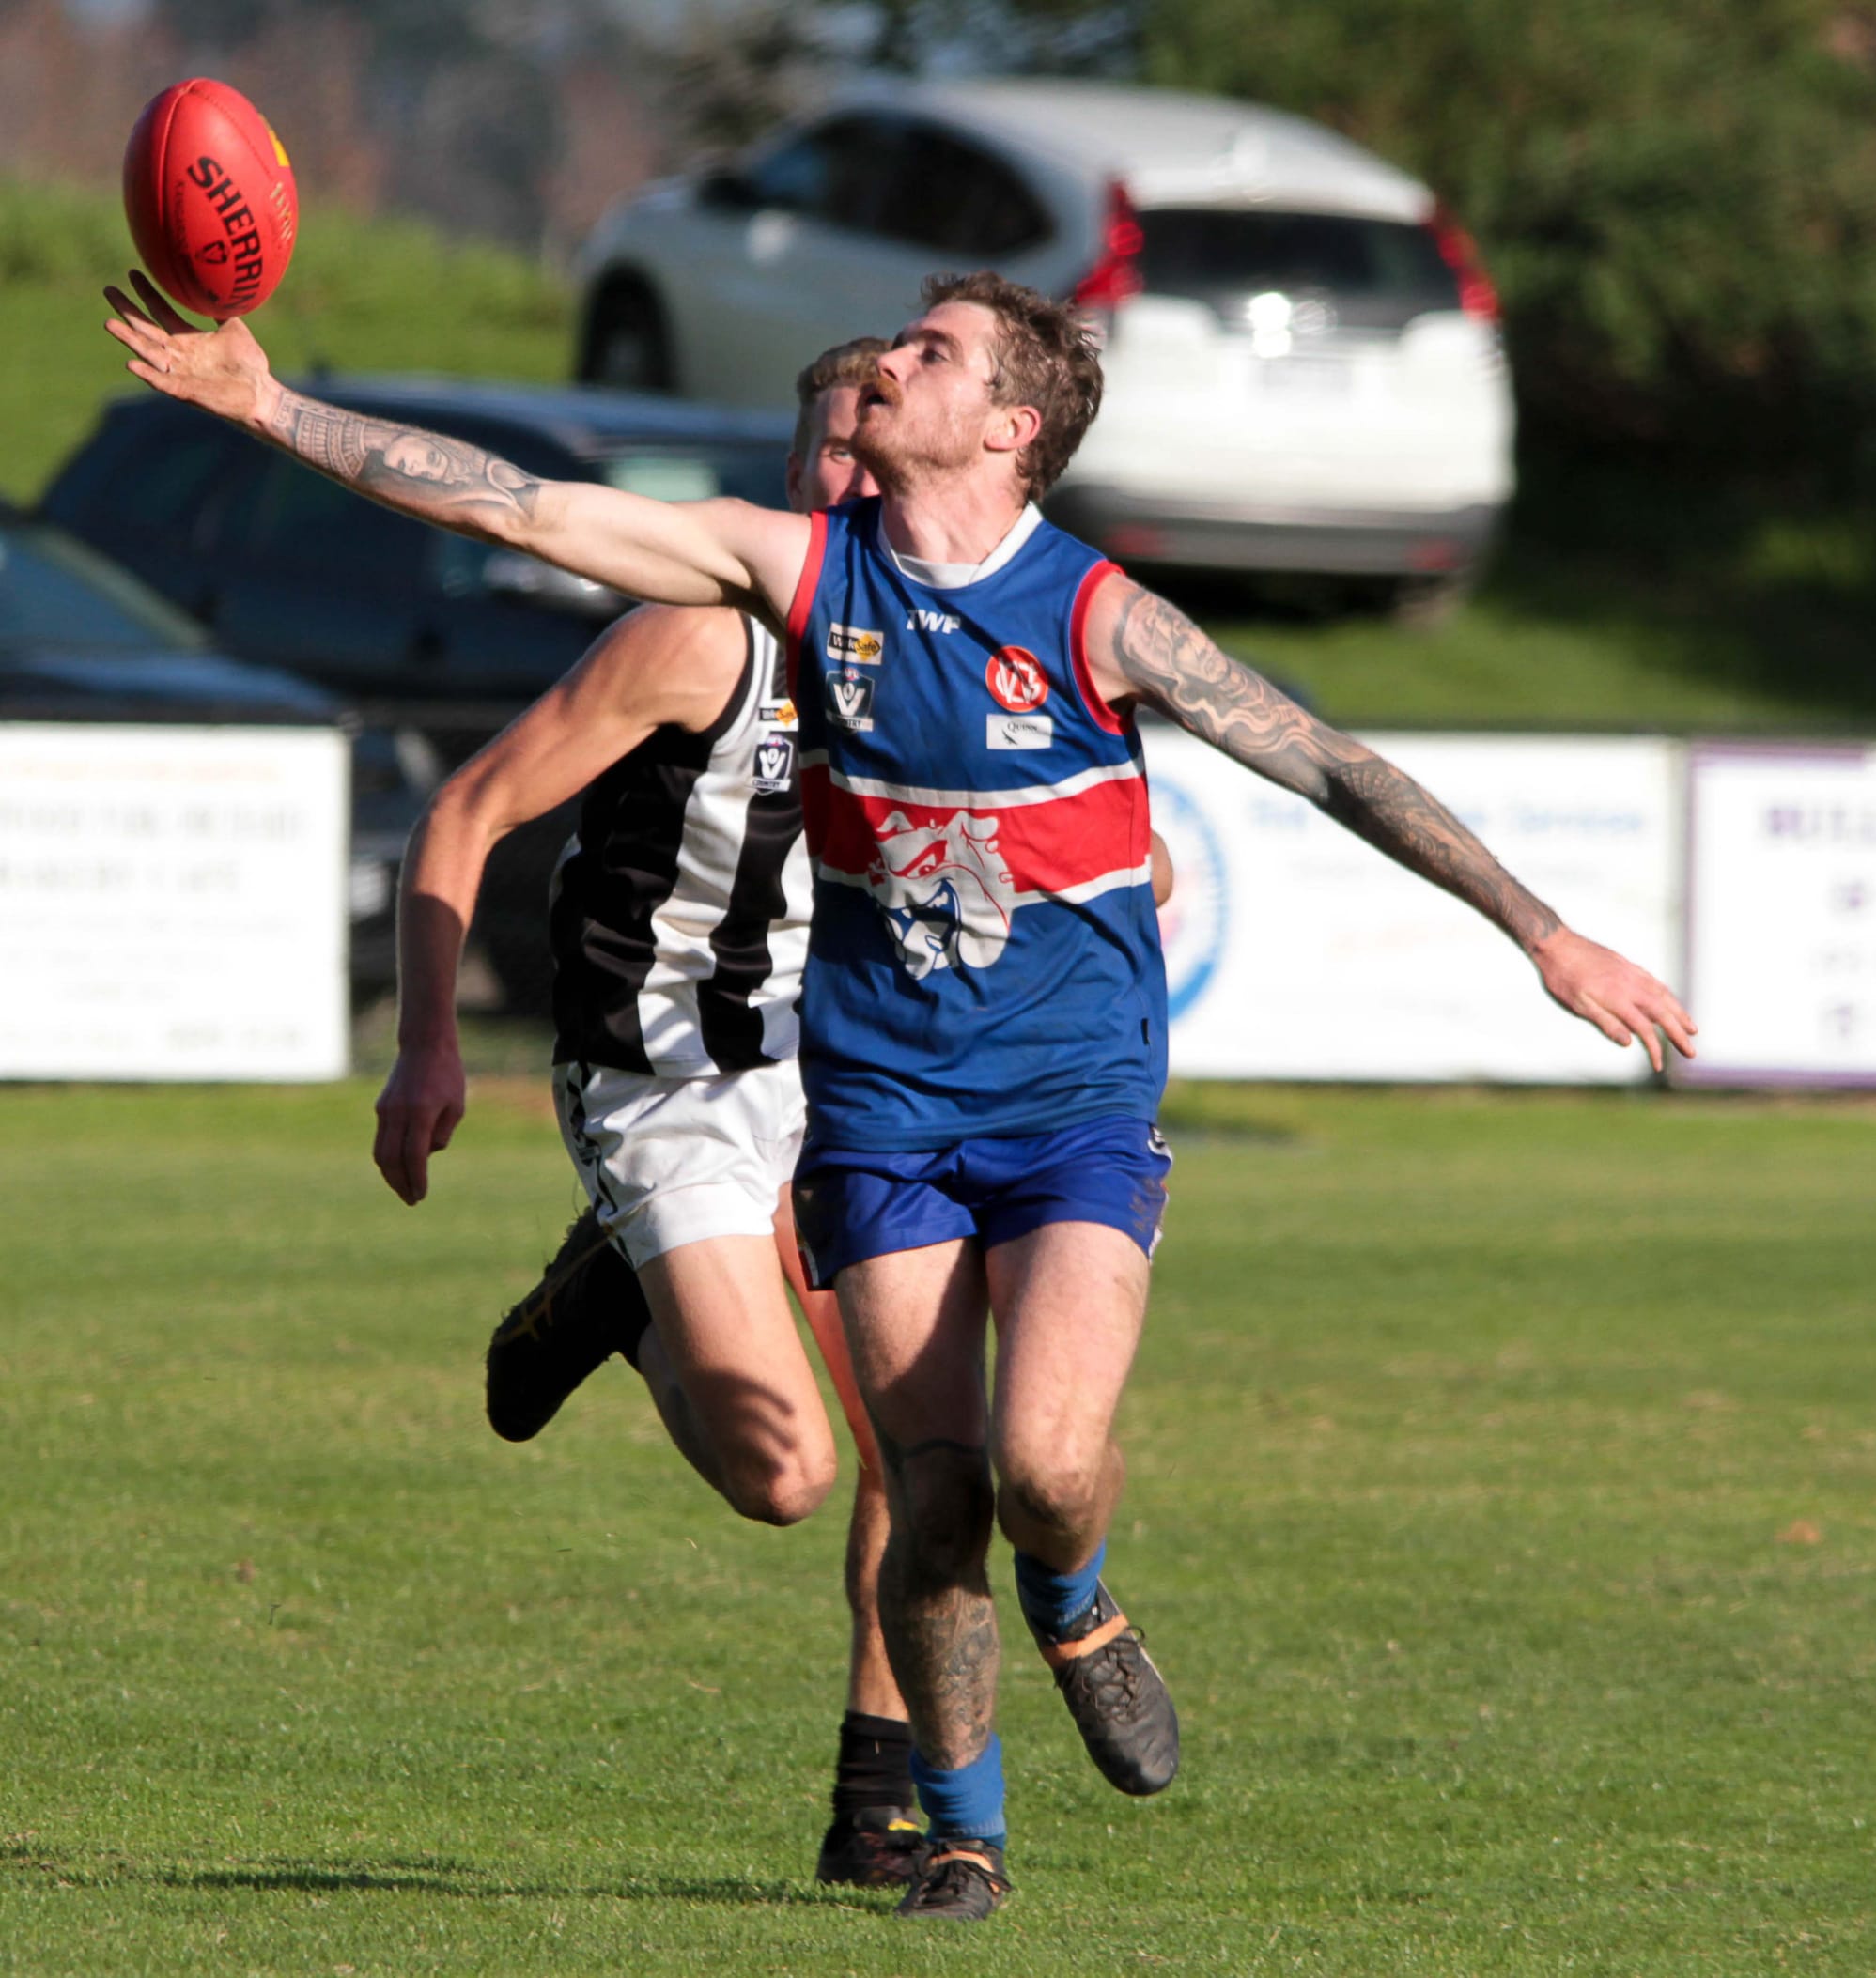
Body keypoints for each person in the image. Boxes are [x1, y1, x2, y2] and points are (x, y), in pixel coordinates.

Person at [105, 267, 1697, 1924]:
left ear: (1006, 429)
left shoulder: (1097, 617)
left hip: (1067, 1104)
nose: (893, 363)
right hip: (859, 1110)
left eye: (931, 351)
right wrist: (267, 405)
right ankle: (957, 1833)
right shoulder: (795, 580)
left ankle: (1075, 1595)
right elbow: (524, 505)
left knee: (1046, 1462)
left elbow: (1331, 760)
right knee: (906, 1484)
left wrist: (1544, 931)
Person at [375, 338, 923, 1889]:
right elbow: (464, 810)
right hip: (659, 1079)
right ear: (795, 464)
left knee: (918, 1445)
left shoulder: (940, 657)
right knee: (788, 1476)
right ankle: (615, 1285)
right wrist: (428, 1047)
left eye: (889, 448)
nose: (862, 477)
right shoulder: (702, 638)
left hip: (825, 1081)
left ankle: (871, 1814)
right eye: (838, 447)